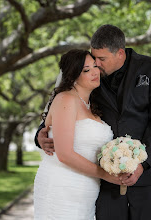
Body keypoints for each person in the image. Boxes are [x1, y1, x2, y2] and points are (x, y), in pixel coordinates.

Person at [35, 24, 151, 220]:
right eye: (93, 57)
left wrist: (142, 164)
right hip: (106, 182)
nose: (96, 65)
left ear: (120, 54)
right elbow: (62, 103)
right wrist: (41, 133)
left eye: (102, 59)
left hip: (148, 177)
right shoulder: (90, 76)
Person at [33, 49, 121, 220]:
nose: (95, 72)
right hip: (62, 185)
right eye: (86, 70)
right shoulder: (66, 99)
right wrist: (106, 175)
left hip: (86, 190)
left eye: (95, 66)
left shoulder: (91, 105)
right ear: (73, 75)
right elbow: (64, 154)